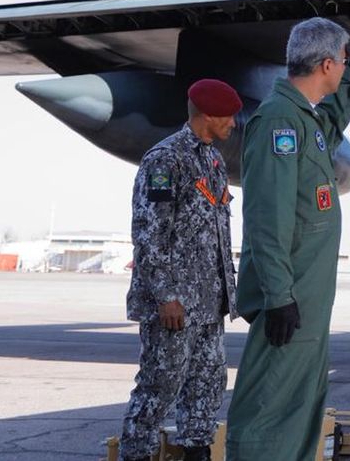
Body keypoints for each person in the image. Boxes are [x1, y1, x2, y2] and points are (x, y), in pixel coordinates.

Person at [226, 18, 350, 461]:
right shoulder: (278, 123)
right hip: (289, 295)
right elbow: (266, 218)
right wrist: (278, 296)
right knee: (269, 408)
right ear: (326, 63)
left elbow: (329, 128)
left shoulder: (302, 118)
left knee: (298, 408)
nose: (345, 66)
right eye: (344, 61)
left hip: (305, 293)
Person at [119, 79, 243, 461]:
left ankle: (197, 451)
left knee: (207, 385)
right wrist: (167, 296)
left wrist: (228, 293)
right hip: (174, 305)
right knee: (160, 386)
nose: (233, 125)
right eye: (228, 117)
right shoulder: (165, 159)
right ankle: (135, 453)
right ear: (207, 115)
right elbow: (150, 233)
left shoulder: (214, 160)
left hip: (208, 303)